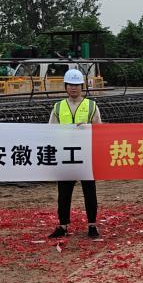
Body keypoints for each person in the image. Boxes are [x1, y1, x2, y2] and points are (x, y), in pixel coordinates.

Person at [47, 68, 102, 239]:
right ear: (65, 86)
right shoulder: (58, 107)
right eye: (70, 84)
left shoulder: (91, 106)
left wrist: (88, 127)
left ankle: (92, 225)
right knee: (63, 193)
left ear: (82, 87)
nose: (73, 88)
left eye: (77, 85)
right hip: (65, 155)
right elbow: (50, 130)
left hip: (85, 155)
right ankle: (63, 225)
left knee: (89, 192)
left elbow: (99, 130)